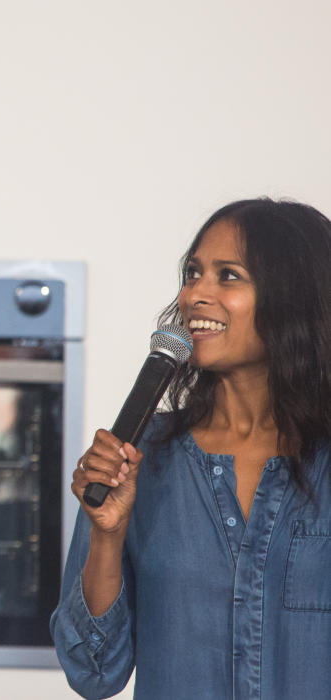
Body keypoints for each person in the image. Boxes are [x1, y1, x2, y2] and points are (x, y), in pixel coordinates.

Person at [50, 197, 331, 699]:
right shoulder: (140, 456)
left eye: (228, 276)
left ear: (294, 296)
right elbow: (93, 673)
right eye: (193, 272)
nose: (195, 294)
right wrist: (108, 534)